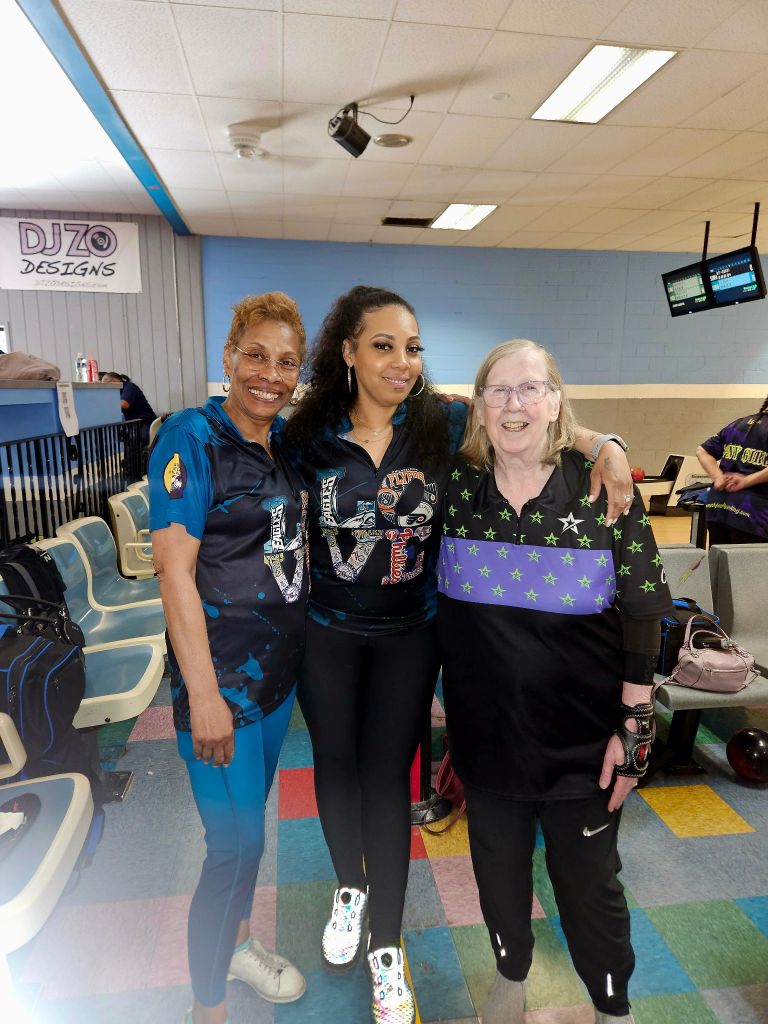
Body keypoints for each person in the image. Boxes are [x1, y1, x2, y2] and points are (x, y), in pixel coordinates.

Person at [282, 287, 635, 1024]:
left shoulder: (439, 421)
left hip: (411, 634)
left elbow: (530, 412)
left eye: (412, 347)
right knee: (335, 770)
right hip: (327, 632)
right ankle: (350, 887)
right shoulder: (306, 435)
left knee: (389, 783)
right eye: (382, 345)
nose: (401, 362)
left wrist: (606, 445)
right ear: (347, 351)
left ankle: (386, 944)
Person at [437, 339, 671, 1024]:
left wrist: (634, 729)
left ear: (556, 401)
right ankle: (510, 973)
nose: (515, 405)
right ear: (478, 406)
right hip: (487, 739)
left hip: (584, 742)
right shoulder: (454, 488)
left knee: (589, 885)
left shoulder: (603, 487)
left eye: (531, 389)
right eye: (499, 391)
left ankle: (611, 1003)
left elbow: (644, 609)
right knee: (498, 877)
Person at [148, 293, 309, 1024]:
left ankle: (239, 948)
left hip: (276, 685)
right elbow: (173, 571)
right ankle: (205, 1006)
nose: (269, 375)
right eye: (256, 355)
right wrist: (204, 694)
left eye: (286, 362)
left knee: (252, 834)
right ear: (228, 358)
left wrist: (598, 439)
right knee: (233, 847)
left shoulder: (284, 444)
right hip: (221, 690)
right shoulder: (192, 437)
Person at [696, 394, 768, 544]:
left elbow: (702, 450)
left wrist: (718, 477)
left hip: (718, 507)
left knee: (720, 564)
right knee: (748, 566)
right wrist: (746, 481)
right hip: (754, 513)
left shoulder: (739, 423)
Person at [102, 371, 157, 445]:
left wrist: (103, 404)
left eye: (105, 384)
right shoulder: (118, 392)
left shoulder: (129, 387)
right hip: (135, 425)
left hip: (145, 423)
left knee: (133, 445)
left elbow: (124, 404)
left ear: (114, 381)